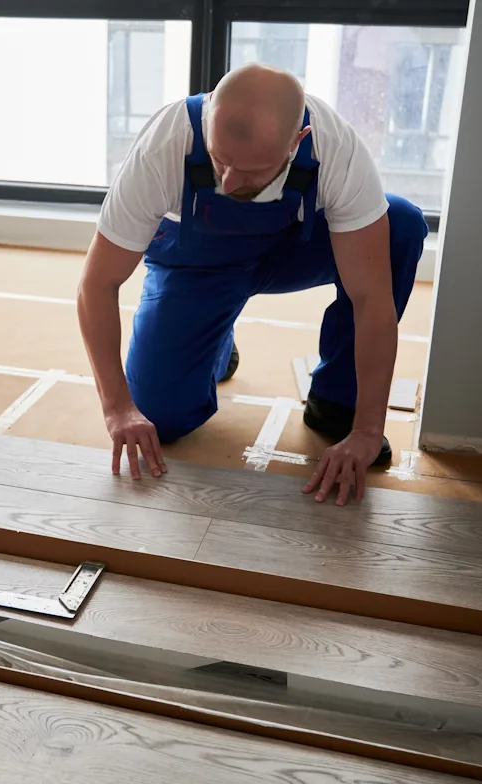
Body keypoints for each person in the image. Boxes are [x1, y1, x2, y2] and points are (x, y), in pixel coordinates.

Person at [77, 63, 427, 506]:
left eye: (252, 170)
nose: (228, 181)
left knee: (400, 225)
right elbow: (97, 285)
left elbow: (371, 297)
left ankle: (338, 401)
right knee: (159, 417)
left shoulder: (333, 146)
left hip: (290, 252)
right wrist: (118, 409)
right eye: (220, 160)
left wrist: (367, 430)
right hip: (198, 267)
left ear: (297, 142)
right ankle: (215, 344)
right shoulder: (164, 146)